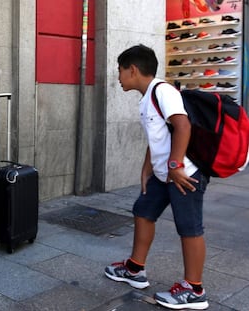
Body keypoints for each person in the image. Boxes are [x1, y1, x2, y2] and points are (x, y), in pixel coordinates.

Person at [104, 44, 209, 310]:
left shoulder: (163, 91)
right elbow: (159, 135)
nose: (118, 77)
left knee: (189, 228)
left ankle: (195, 290)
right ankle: (135, 269)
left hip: (184, 174)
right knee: (143, 210)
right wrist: (146, 168)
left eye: (119, 71)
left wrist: (175, 164)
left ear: (133, 69)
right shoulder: (148, 96)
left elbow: (182, 126)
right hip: (164, 175)